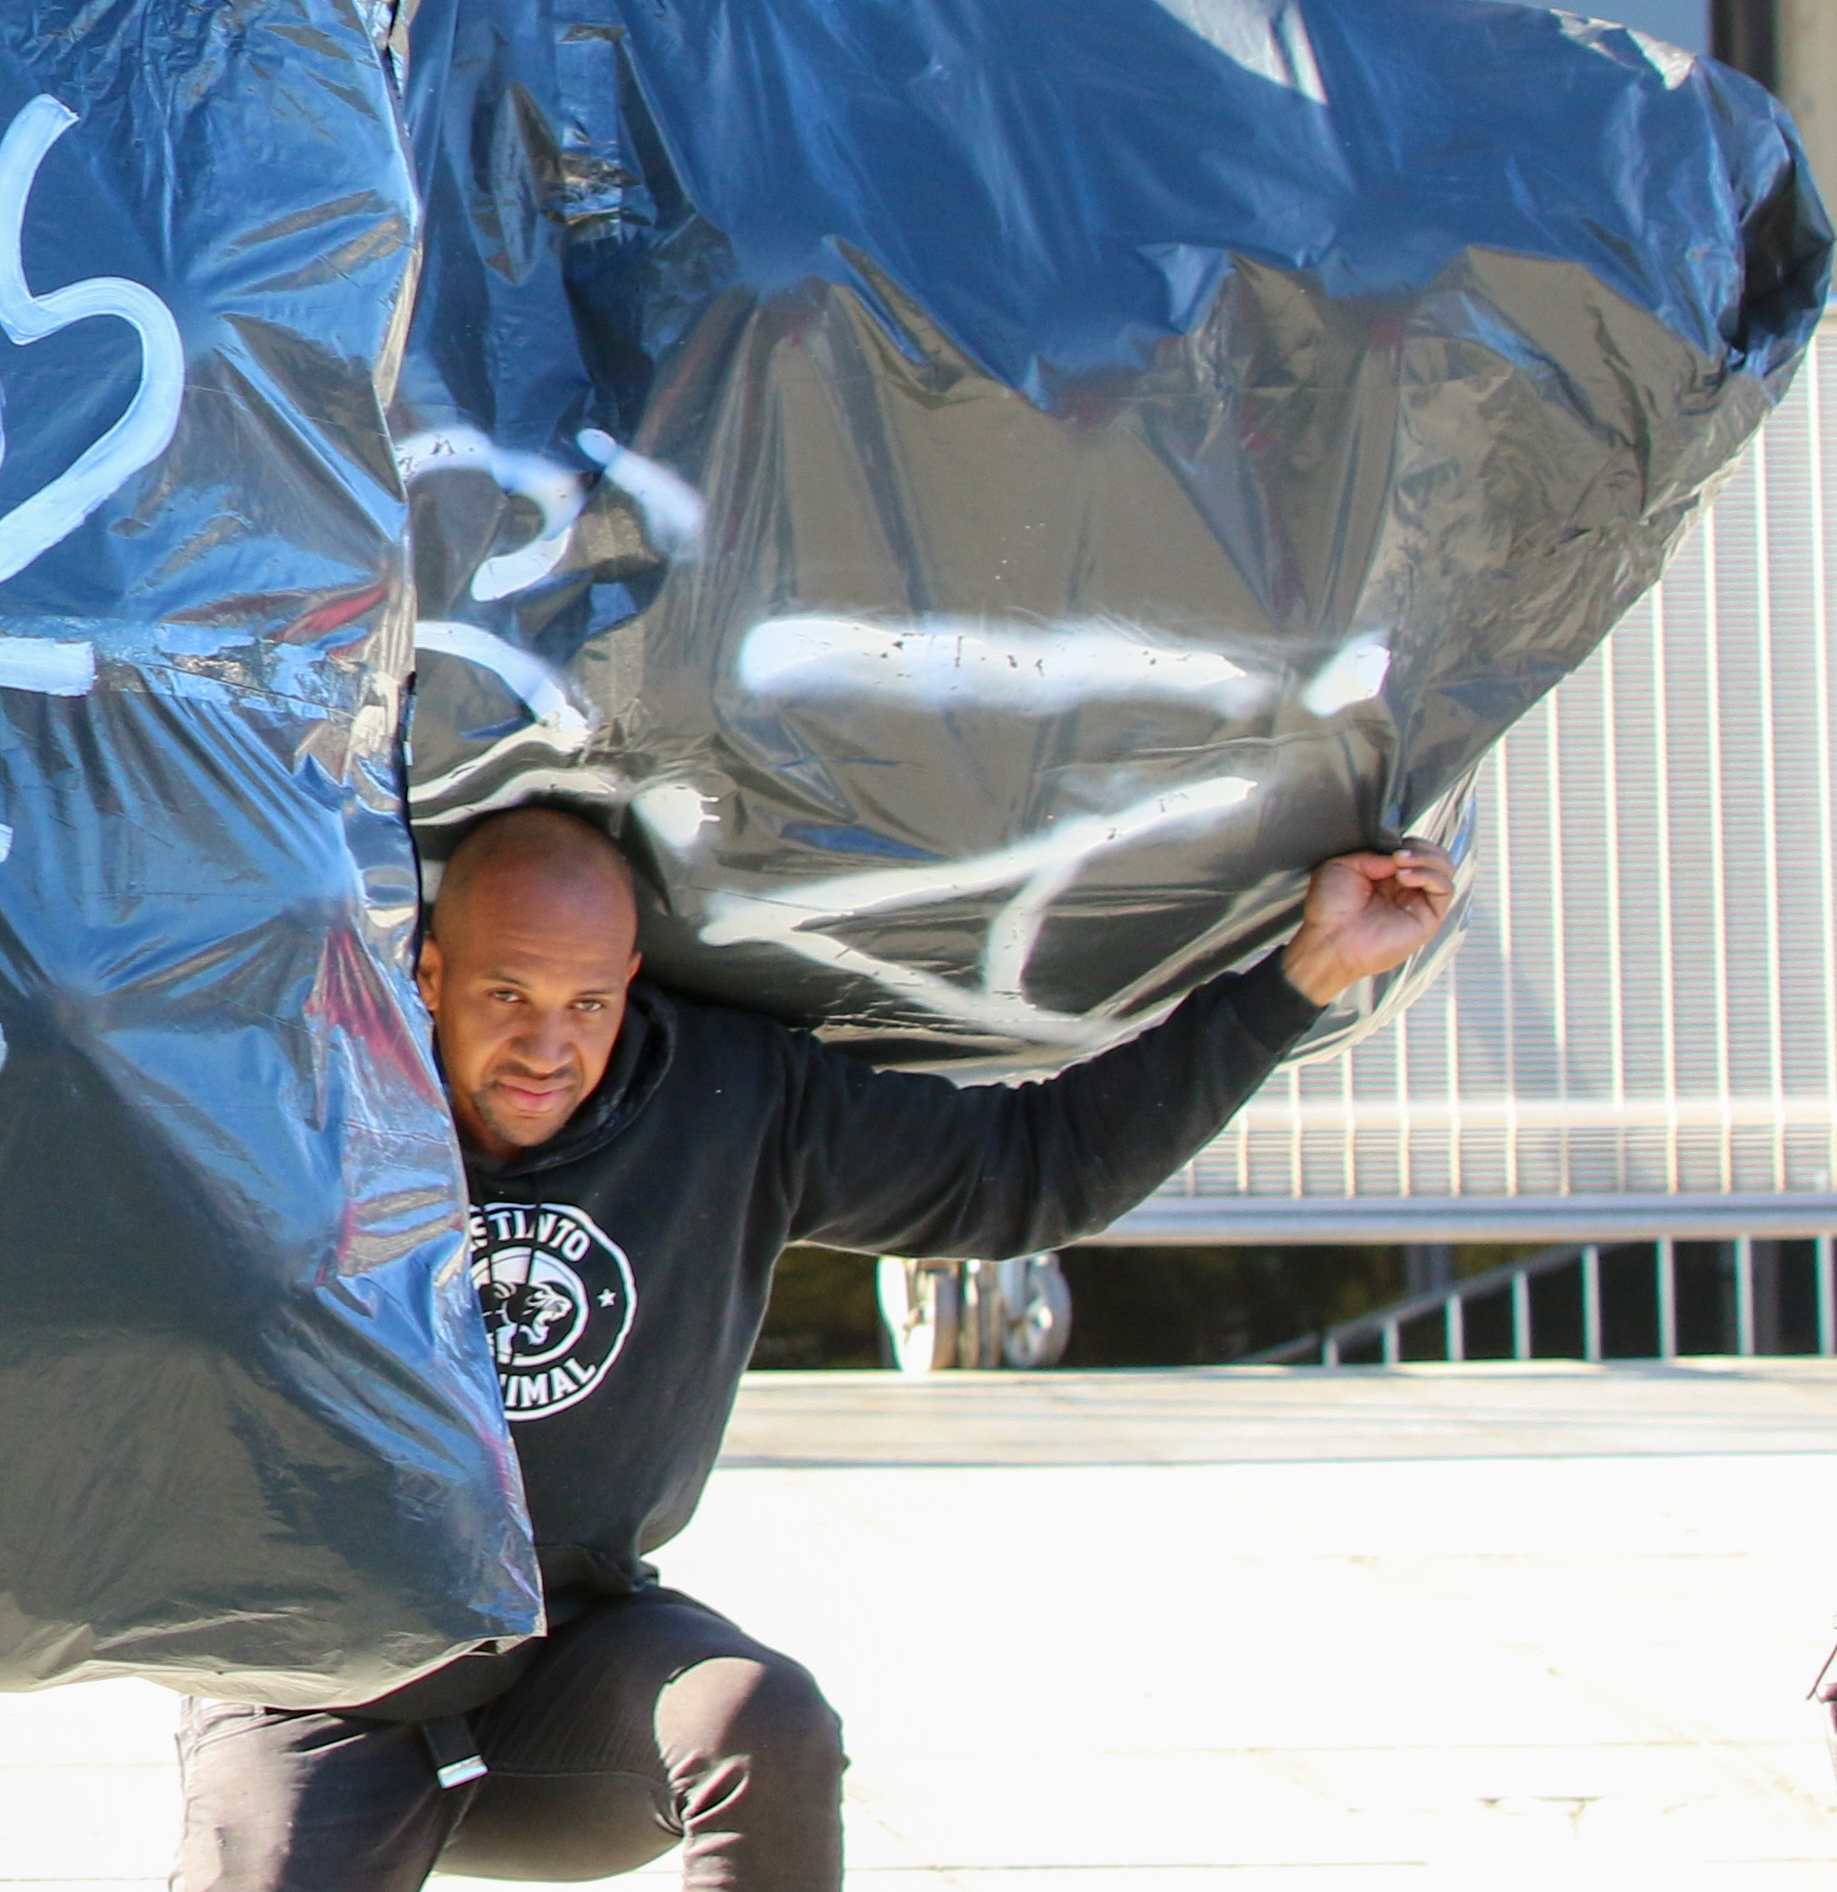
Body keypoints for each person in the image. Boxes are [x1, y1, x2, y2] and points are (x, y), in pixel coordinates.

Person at [174, 803, 1459, 1892]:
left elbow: (1032, 1173)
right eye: (507, 993)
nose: (547, 1046)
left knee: (760, 1716)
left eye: (587, 1001)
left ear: (631, 984)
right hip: (320, 1674)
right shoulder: (307, 1101)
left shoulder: (731, 1099)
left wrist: (1302, 972)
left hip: (573, 1657)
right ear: (429, 972)